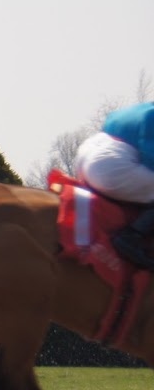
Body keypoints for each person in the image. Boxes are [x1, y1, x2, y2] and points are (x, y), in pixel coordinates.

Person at [74, 101, 154, 269]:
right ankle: (131, 236)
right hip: (109, 166)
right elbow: (151, 161)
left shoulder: (138, 108)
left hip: (85, 156)